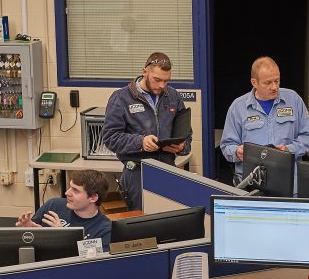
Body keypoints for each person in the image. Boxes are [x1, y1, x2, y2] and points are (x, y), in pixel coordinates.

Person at [103, 52, 191, 210]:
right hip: (137, 173)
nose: (162, 85)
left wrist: (182, 147)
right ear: (144, 72)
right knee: (141, 226)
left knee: (169, 223)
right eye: (157, 80)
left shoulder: (173, 96)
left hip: (168, 170)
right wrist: (140, 142)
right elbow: (110, 137)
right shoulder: (121, 98)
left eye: (166, 80)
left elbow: (186, 134)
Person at [219, 56, 309, 183]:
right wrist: (237, 152)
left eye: (277, 81)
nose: (274, 87)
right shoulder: (238, 107)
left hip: (288, 180)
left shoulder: (293, 100)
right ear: (254, 82)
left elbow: (308, 136)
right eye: (268, 83)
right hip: (252, 181)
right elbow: (226, 145)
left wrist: (289, 150)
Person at [17, 169, 112, 251]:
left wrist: (64, 237)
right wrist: (26, 231)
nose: (67, 193)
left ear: (93, 198)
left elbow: (92, 262)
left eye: (76, 190)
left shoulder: (105, 229)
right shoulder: (53, 205)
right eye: (70, 187)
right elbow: (27, 241)